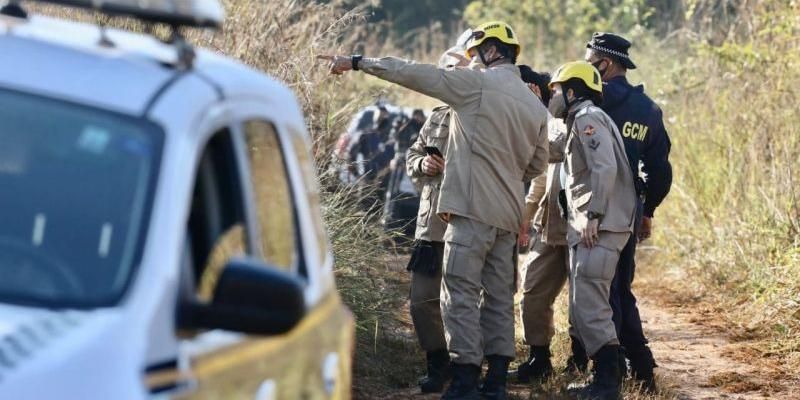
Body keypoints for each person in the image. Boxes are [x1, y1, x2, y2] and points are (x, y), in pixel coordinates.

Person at [321, 20, 550, 400]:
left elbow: (414, 73)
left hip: (471, 213)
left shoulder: (476, 84)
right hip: (508, 218)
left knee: (457, 294)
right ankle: (495, 382)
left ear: (491, 51)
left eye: (475, 54)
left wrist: (358, 62)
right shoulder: (533, 104)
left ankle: (463, 381)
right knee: (496, 298)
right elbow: (536, 165)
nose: (472, 61)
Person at [585, 32, 673, 391]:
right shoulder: (648, 109)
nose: (586, 66)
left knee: (597, 289)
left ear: (604, 63)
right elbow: (661, 170)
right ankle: (641, 369)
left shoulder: (593, 103)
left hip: (595, 212)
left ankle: (610, 371)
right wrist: (647, 209)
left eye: (590, 60)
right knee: (620, 286)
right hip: (630, 211)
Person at [547, 61, 637, 400]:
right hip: (598, 225)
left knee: (591, 305)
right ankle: (602, 379)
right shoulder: (580, 120)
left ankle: (606, 386)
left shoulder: (586, 119)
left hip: (599, 226)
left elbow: (604, 167)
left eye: (555, 91)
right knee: (586, 304)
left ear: (571, 91)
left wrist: (593, 214)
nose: (551, 97)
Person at [513, 67, 592, 383]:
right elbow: (540, 178)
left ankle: (581, 358)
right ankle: (539, 356)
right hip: (549, 225)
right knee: (533, 291)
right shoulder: (548, 123)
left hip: (579, 224)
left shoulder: (581, 121)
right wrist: (526, 215)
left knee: (581, 300)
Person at [402, 47, 467, 394]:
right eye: (450, 69)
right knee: (422, 300)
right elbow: (413, 153)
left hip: (468, 224)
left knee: (464, 301)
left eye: (463, 69)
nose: (455, 74)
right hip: (431, 227)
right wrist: (421, 165)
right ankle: (438, 364)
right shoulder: (437, 117)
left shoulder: (482, 116)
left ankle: (468, 367)